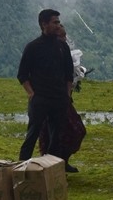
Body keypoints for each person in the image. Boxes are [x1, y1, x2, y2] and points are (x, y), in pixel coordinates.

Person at [16, 9, 75, 169]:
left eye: (58, 22)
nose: (58, 25)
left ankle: (50, 171)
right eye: (54, 22)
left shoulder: (63, 47)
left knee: (56, 137)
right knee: (32, 135)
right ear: (44, 24)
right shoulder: (33, 47)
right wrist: (31, 94)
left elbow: (69, 74)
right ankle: (21, 169)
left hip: (59, 99)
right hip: (40, 99)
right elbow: (22, 75)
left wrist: (66, 95)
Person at [37, 25, 87, 170]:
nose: (64, 39)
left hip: (63, 99)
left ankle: (61, 161)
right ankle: (51, 164)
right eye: (62, 36)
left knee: (73, 130)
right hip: (49, 99)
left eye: (65, 36)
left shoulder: (63, 51)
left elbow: (68, 75)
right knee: (54, 132)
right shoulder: (44, 53)